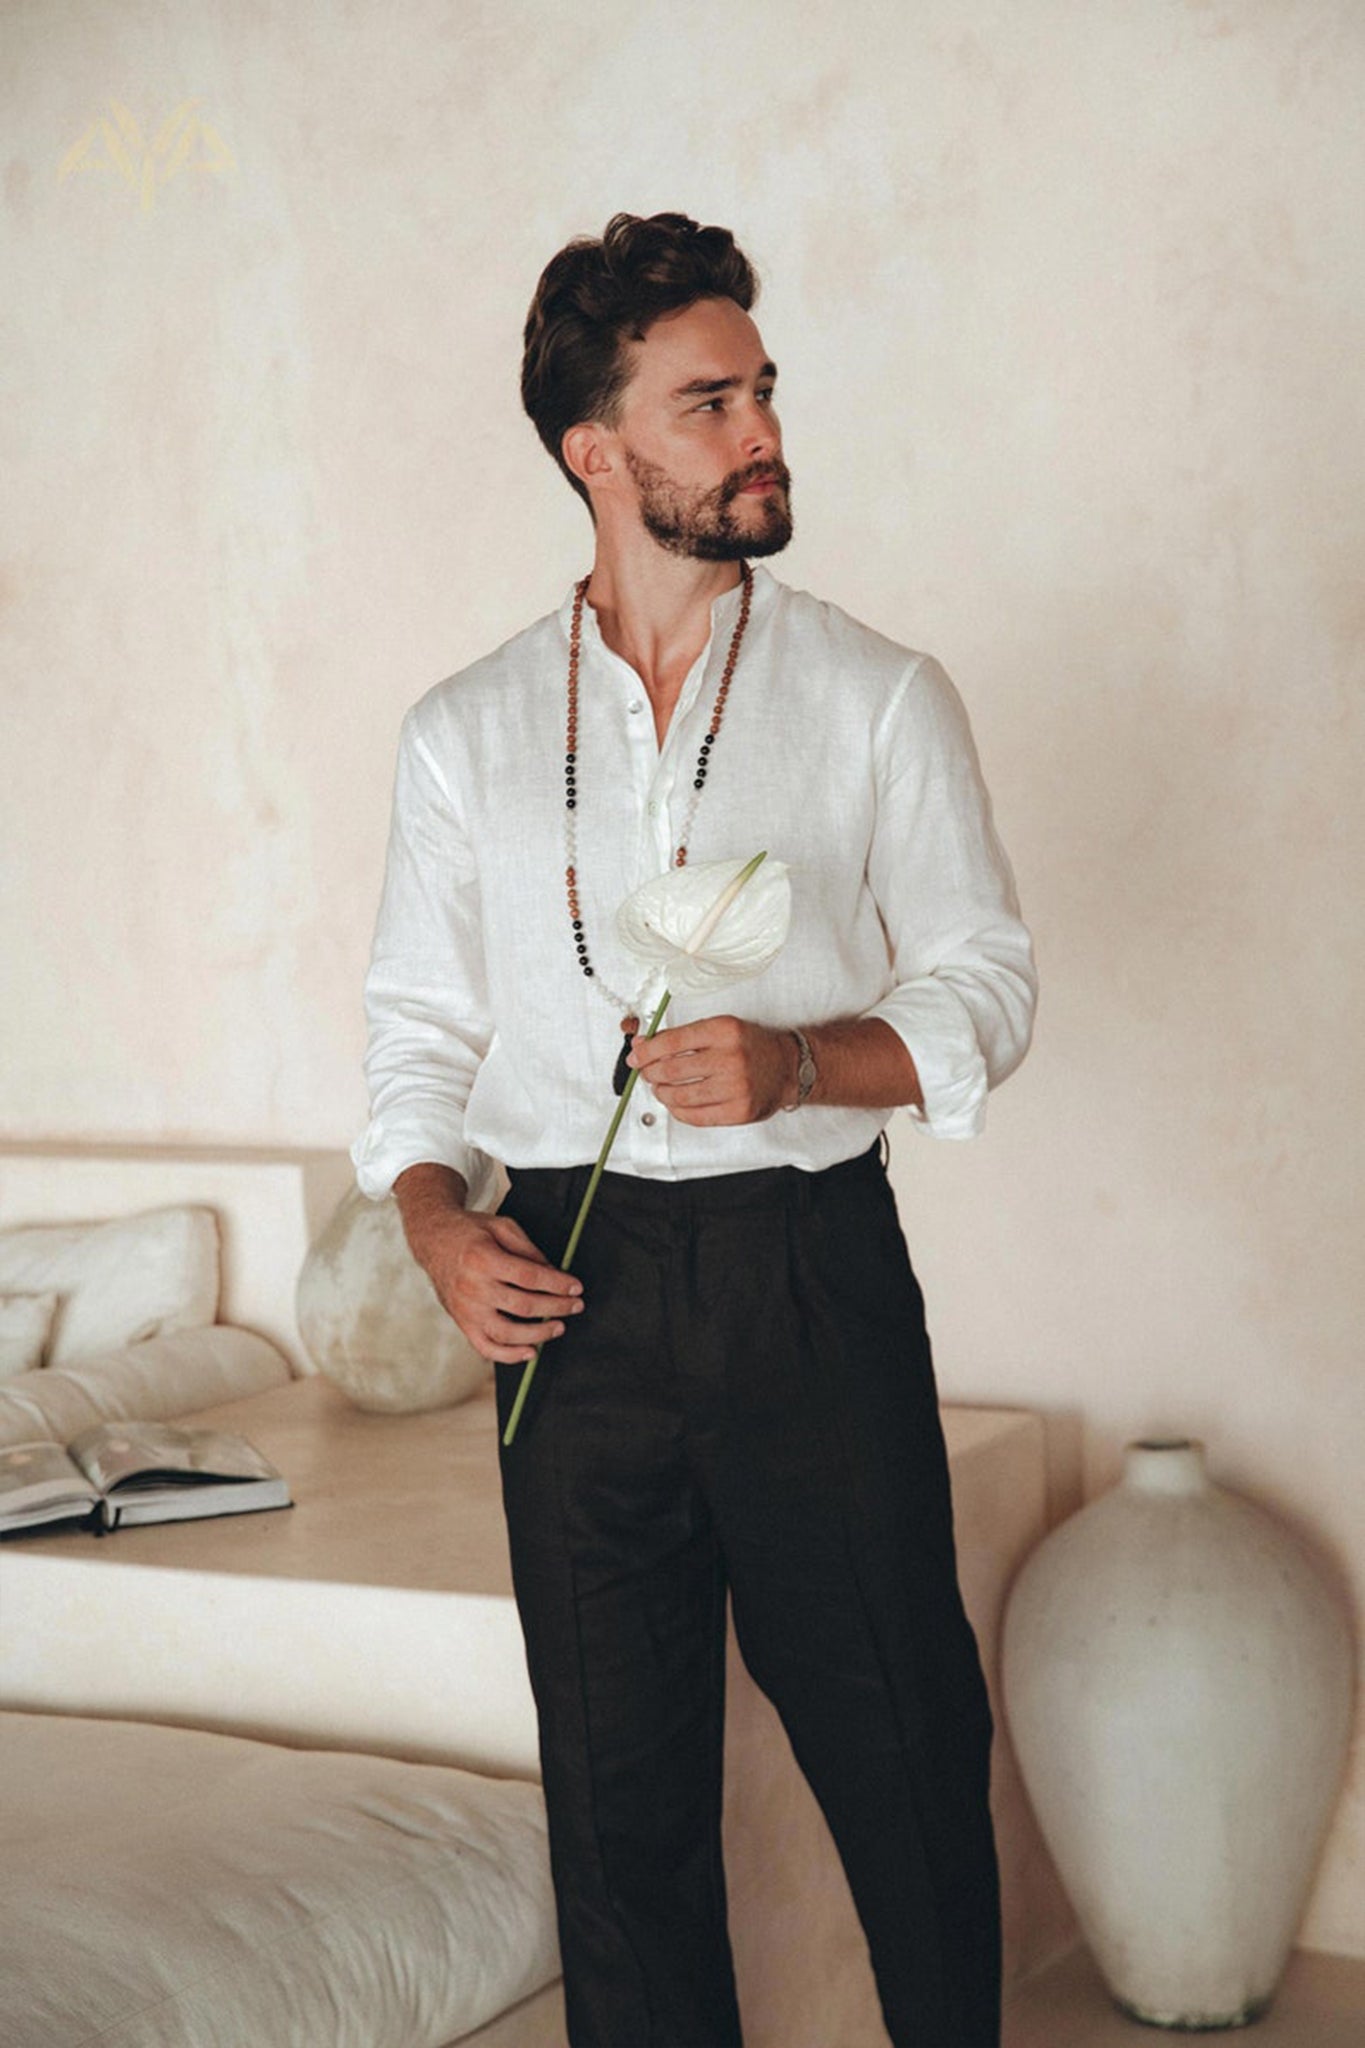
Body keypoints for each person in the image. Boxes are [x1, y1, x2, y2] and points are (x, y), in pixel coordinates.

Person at [352, 211, 1036, 2048]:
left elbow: (983, 988)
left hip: (806, 1279)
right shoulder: (465, 733)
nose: (760, 433)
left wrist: (808, 1065)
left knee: (903, 1765)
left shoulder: (875, 694)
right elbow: (416, 1031)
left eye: (763, 392)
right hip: (568, 1300)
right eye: (707, 399)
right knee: (620, 1823)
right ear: (596, 449)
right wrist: (432, 1225)